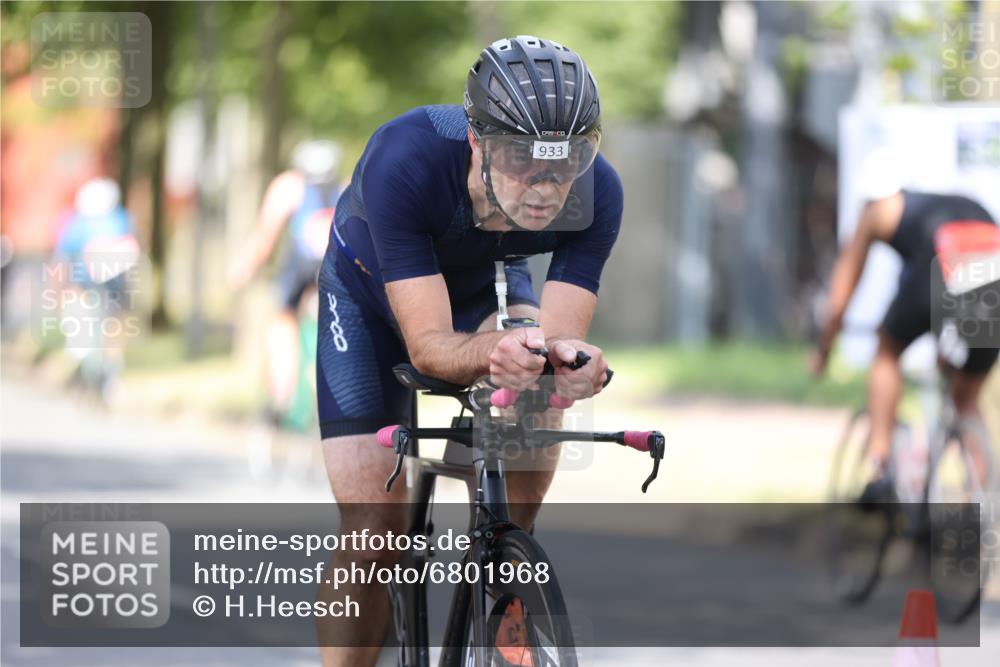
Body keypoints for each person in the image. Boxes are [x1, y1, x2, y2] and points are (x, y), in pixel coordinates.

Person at [315, 36, 620, 666]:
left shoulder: (599, 192)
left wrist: (569, 368)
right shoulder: (406, 157)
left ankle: (509, 566)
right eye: (521, 159)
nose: (545, 186)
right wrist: (490, 354)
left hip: (484, 287)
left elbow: (559, 345)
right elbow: (428, 347)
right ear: (478, 142)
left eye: (567, 162)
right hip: (368, 302)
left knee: (539, 376)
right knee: (374, 531)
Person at [812, 149, 999, 501]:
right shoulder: (946, 204)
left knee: (887, 351)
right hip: (992, 274)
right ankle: (983, 501)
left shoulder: (880, 210)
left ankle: (879, 468)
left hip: (944, 266)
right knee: (967, 397)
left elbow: (842, 290)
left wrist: (823, 347)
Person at [229, 139, 343, 426]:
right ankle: (328, 393)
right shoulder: (344, 187)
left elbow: (265, 236)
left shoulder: (289, 186)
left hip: (299, 269)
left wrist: (243, 269)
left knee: (283, 320)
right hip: (332, 268)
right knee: (331, 326)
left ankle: (283, 393)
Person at [51, 177, 139, 401]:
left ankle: (97, 367)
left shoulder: (79, 223)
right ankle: (108, 374)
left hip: (97, 284)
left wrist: (61, 288)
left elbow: (62, 258)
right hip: (100, 284)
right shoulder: (121, 219)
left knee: (98, 324)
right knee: (111, 325)